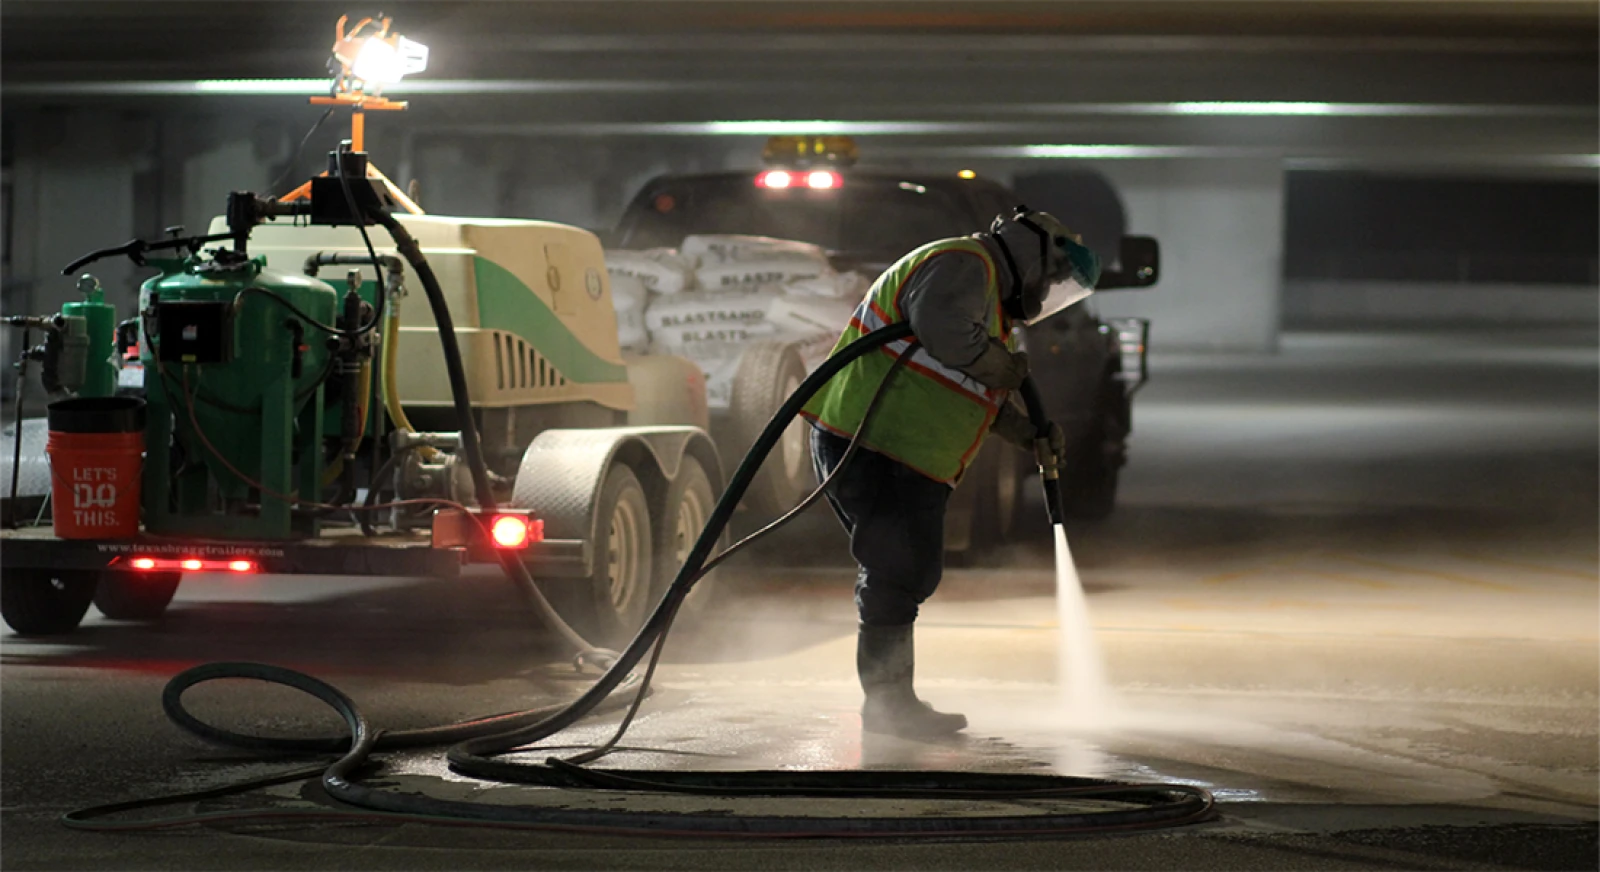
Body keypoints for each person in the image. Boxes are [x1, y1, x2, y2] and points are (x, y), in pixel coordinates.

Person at [802, 207, 1101, 739]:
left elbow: (968, 384)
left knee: (909, 570)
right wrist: (998, 367)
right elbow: (943, 333)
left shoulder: (990, 307)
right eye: (1053, 279)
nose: (1050, 292)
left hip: (904, 454)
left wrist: (1024, 431)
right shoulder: (966, 263)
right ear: (1036, 253)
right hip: (872, 442)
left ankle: (892, 700)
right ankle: (888, 704)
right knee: (896, 570)